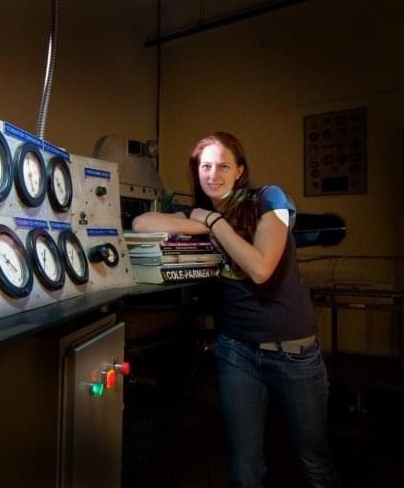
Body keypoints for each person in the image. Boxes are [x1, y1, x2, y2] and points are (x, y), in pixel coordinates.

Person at [132, 132, 340, 487]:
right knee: (244, 468)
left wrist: (215, 224)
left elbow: (260, 268)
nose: (213, 175)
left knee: (314, 464)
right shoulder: (207, 212)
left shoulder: (269, 198)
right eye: (205, 166)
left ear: (240, 170)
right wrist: (206, 220)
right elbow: (142, 224)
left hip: (292, 352)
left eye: (223, 166)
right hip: (236, 351)